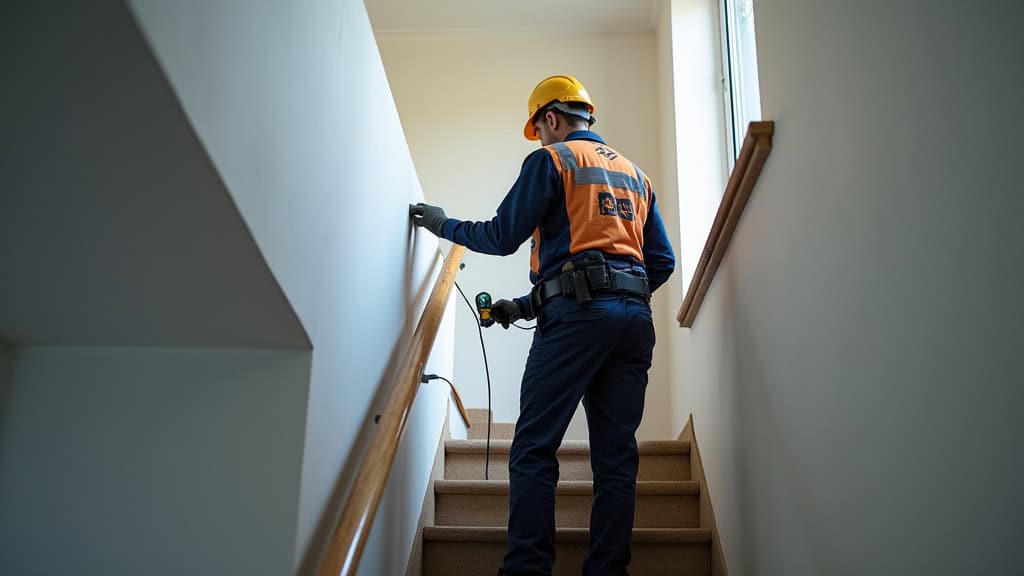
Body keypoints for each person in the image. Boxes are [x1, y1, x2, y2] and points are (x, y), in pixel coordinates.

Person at [410, 74, 675, 576]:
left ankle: (527, 569)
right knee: (616, 460)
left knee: (534, 447)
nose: (541, 137)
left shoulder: (552, 160)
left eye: (539, 128)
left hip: (577, 322)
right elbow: (661, 262)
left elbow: (502, 234)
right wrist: (535, 304)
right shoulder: (637, 176)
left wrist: (443, 225)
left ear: (549, 118)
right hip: (634, 321)